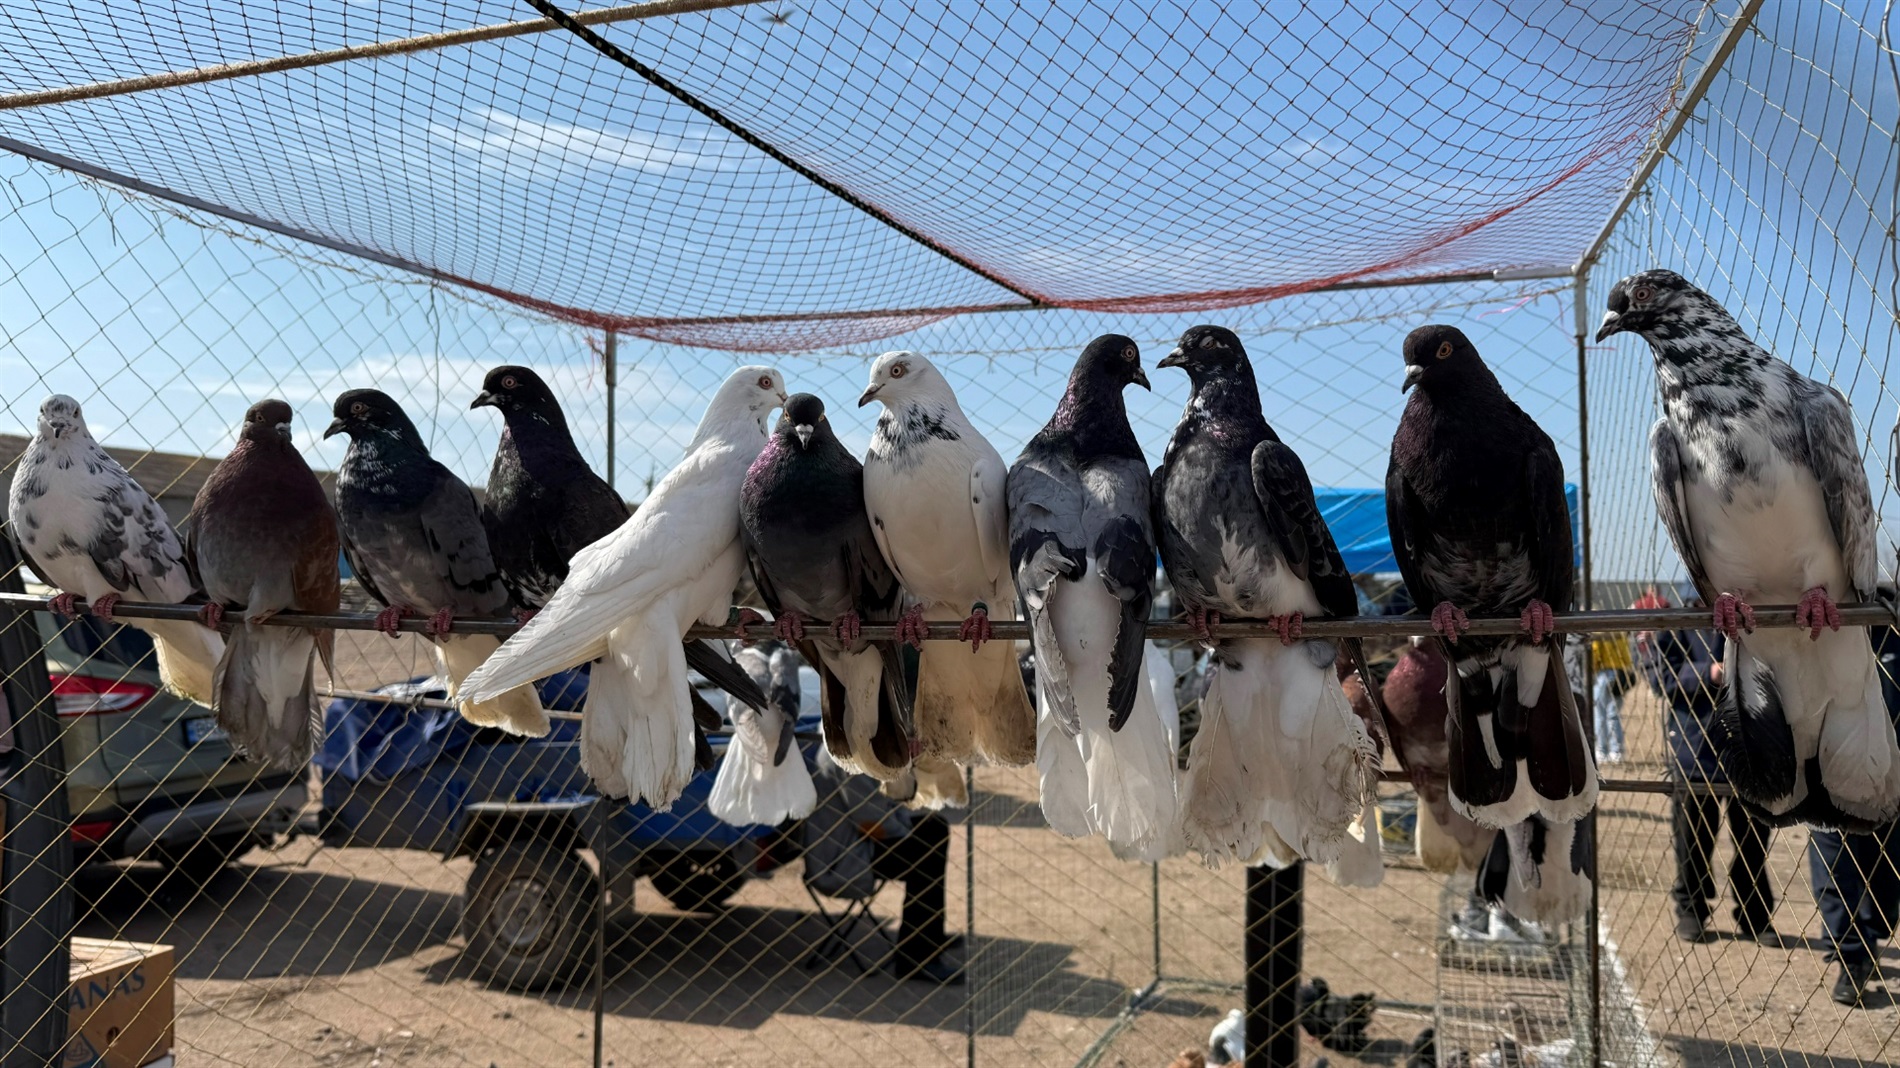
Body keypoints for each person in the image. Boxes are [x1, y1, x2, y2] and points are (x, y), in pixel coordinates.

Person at [1641, 609, 1778, 945]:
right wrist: (1709, 672)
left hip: (1751, 744)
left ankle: (1754, 914)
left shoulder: (1757, 611)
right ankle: (1691, 908)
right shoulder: (1679, 620)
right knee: (1692, 838)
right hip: (1695, 748)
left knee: (1753, 839)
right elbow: (1662, 676)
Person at [802, 753, 962, 985]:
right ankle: (917, 958)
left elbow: (889, 800)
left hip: (860, 840)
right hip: (844, 858)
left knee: (933, 828)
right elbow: (871, 819)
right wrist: (907, 831)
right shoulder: (846, 753)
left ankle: (930, 936)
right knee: (925, 853)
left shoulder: (853, 742)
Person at [1809, 621, 1900, 1006]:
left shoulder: (1891, 628)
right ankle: (1850, 956)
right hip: (1830, 762)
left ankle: (1874, 930)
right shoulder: (1820, 621)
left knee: (1887, 867)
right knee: (1834, 861)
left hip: (1890, 769)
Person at [1590, 631, 1634, 764]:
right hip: (1620, 673)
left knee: (1600, 714)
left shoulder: (1599, 632)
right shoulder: (1620, 632)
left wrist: (1592, 669)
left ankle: (1602, 750)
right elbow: (1627, 656)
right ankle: (1616, 751)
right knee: (1614, 714)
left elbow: (1595, 653)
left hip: (1603, 673)